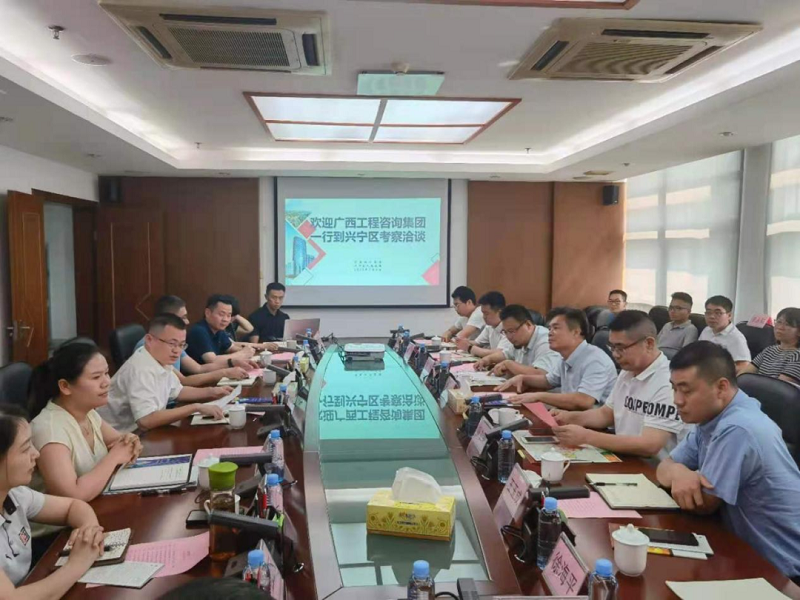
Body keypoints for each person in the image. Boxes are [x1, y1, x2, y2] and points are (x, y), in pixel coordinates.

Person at [656, 342, 800, 582]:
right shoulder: (711, 417)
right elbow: (664, 467)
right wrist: (679, 472)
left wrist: (676, 473)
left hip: (782, 570)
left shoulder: (738, 427)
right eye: (674, 388)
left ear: (721, 387)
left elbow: (702, 503)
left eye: (686, 390)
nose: (677, 400)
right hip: (742, 550)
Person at [0, 404, 106, 596]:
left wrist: (88, 532)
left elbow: (73, 507)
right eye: (25, 449)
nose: (36, 453)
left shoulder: (16, 494)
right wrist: (78, 563)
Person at [550, 311, 685, 458]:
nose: (615, 354)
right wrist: (569, 417)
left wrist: (586, 437)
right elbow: (606, 414)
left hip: (652, 467)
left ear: (649, 344)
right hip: (626, 457)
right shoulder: (628, 371)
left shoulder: (669, 382)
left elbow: (649, 445)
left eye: (621, 348)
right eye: (612, 347)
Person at [28, 343, 142, 503]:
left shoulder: (87, 412)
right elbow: (72, 496)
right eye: (96, 377)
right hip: (64, 519)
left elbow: (122, 442)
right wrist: (115, 456)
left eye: (106, 373)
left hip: (97, 504)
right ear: (65, 386)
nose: (106, 382)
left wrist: (131, 442)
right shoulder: (49, 430)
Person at [99, 314, 227, 433]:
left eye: (181, 345)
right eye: (172, 344)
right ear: (149, 340)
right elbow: (146, 420)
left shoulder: (159, 358)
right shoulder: (140, 369)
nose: (177, 351)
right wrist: (195, 408)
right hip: (122, 436)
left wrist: (212, 391)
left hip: (143, 431)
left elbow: (178, 391)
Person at [497, 307, 617, 410]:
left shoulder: (595, 360)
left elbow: (584, 401)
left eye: (556, 328)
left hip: (594, 425)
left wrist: (538, 396)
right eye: (549, 328)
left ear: (576, 332)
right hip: (570, 416)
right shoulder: (566, 356)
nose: (550, 333)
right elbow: (548, 381)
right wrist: (523, 378)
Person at [140, 295, 257, 384]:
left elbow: (198, 368)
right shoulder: (149, 346)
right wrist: (225, 372)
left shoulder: (175, 342)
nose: (187, 322)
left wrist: (231, 363)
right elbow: (183, 381)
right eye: (183, 317)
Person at [474, 304, 561, 377]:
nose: (509, 337)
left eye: (511, 331)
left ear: (528, 324)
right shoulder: (519, 341)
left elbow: (541, 374)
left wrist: (509, 364)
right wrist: (487, 359)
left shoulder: (546, 341)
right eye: (505, 332)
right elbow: (505, 354)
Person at [187, 295, 270, 366]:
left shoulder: (218, 330)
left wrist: (250, 350)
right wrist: (242, 354)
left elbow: (231, 347)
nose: (225, 319)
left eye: (229, 315)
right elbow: (212, 360)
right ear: (208, 313)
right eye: (221, 314)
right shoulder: (199, 331)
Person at [739, 307, 800, 385]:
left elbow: (779, 387)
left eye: (787, 324)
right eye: (779, 322)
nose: (780, 327)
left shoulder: (797, 355)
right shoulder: (769, 350)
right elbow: (743, 375)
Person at [697, 295, 751, 372]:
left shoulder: (736, 338)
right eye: (708, 312)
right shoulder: (707, 330)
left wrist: (718, 370)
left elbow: (744, 366)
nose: (712, 316)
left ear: (729, 316)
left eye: (718, 313)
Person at [455, 291, 513, 358]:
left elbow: (499, 353)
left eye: (486, 313)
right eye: (483, 313)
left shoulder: (509, 328)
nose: (484, 317)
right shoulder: (489, 326)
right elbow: (477, 343)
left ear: (500, 313)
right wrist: (464, 342)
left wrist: (469, 347)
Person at [657, 292, 699, 359]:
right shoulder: (667, 325)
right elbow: (655, 345)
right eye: (671, 307)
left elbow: (685, 355)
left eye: (678, 308)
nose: (672, 311)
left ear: (689, 311)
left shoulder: (690, 329)